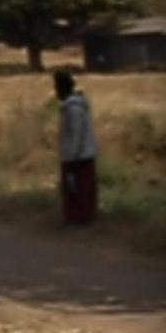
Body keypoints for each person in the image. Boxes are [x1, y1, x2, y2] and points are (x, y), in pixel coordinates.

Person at [55, 71, 98, 225]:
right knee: (78, 188)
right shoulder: (71, 107)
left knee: (77, 189)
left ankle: (80, 217)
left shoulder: (74, 109)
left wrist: (71, 157)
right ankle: (80, 216)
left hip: (79, 157)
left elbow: (76, 135)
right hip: (79, 155)